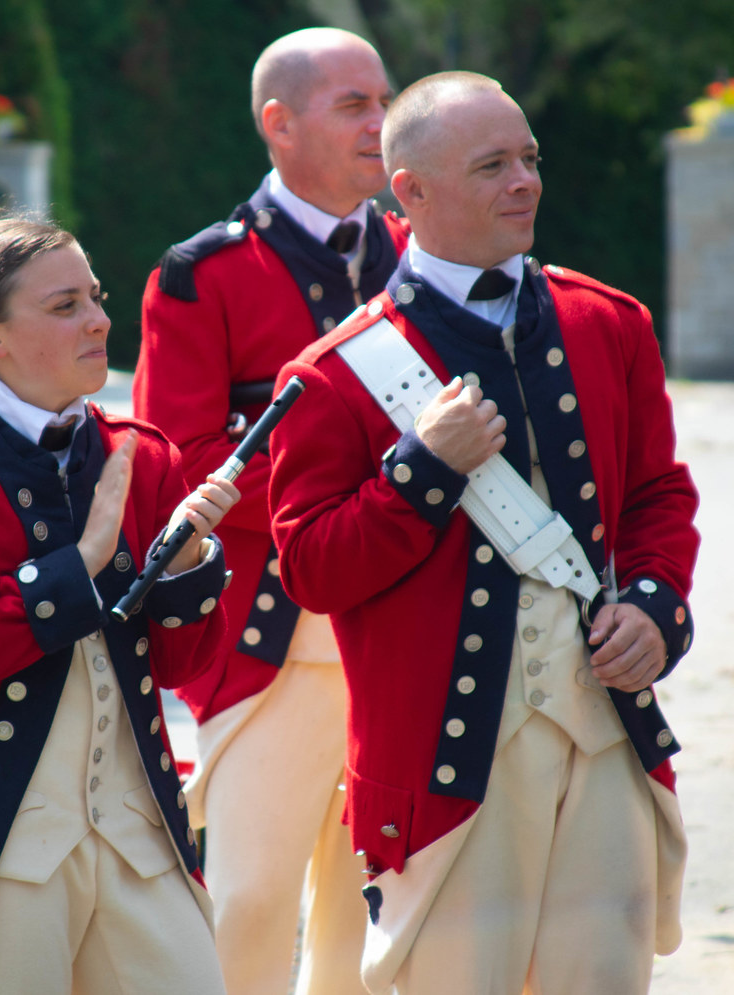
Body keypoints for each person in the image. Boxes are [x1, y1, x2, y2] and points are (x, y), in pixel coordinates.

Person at [268, 71, 699, 995]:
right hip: (446, 765)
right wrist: (421, 471)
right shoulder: (334, 375)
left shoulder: (607, 321)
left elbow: (661, 494)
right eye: (494, 164)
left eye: (530, 159)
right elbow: (310, 567)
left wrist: (658, 606)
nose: (526, 183)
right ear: (410, 193)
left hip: (606, 738)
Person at [0, 217, 239, 994]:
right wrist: (81, 564)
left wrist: (193, 563)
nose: (100, 319)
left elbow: (183, 667)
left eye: (94, 297)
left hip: (142, 840)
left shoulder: (145, 450)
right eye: (65, 305)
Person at [133, 26, 408, 993]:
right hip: (270, 635)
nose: (384, 122)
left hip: (408, 621)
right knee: (247, 898)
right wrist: (346, 500)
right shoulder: (201, 273)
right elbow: (178, 462)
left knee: (375, 904)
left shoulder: (425, 256)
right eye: (355, 105)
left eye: (385, 100)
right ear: (278, 125)